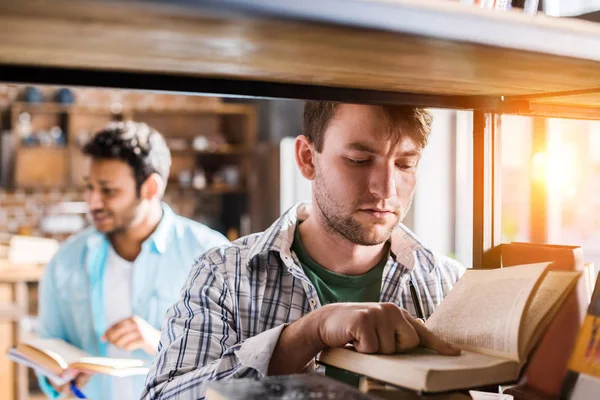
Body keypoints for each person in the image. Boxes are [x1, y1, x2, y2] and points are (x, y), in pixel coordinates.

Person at [141, 102, 466, 400]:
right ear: (308, 159)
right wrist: (305, 336)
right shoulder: (224, 274)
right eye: (359, 161)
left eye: (406, 164)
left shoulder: (450, 285)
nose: (386, 189)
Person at [36, 121, 229, 399]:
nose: (93, 202)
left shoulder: (211, 256)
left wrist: (161, 342)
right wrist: (55, 378)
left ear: (150, 188)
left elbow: (239, 356)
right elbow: (48, 346)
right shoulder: (65, 261)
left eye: (108, 190)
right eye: (89, 187)